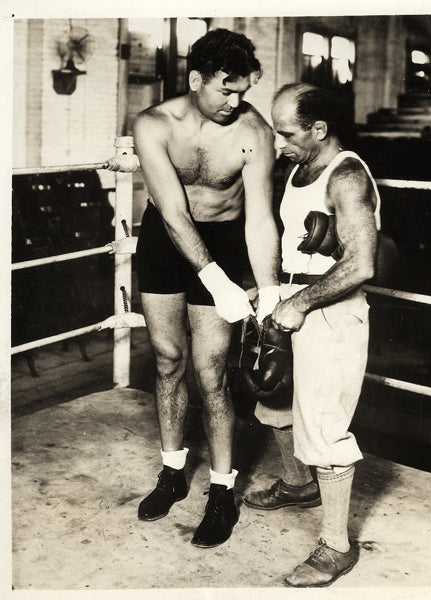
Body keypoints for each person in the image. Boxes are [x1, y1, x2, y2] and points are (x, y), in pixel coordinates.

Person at [132, 28, 280, 549]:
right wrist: (213, 279)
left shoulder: (254, 132)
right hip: (165, 241)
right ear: (196, 79)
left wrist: (269, 293)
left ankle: (221, 491)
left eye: (242, 91)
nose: (235, 102)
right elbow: (172, 213)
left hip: (225, 239)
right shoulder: (154, 124)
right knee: (169, 360)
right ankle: (172, 473)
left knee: (212, 373)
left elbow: (260, 220)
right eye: (225, 89)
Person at [243, 83, 380, 586]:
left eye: (287, 133)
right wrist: (272, 296)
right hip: (291, 303)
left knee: (324, 427)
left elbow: (362, 262)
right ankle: (299, 485)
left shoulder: (345, 176)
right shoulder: (300, 169)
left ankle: (337, 546)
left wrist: (298, 303)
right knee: (271, 398)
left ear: (319, 130)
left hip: (331, 314)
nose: (278, 143)